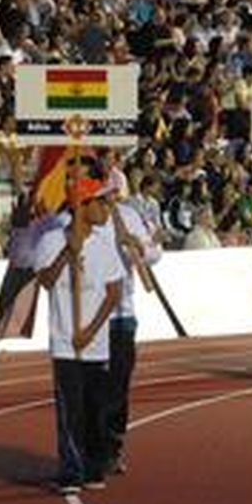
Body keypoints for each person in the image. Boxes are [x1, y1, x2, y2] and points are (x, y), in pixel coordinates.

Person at [32, 178, 125, 495]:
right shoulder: (52, 240)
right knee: (70, 409)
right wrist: (66, 255)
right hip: (64, 341)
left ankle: (93, 467)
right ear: (81, 206)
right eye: (99, 202)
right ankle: (72, 470)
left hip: (95, 343)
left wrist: (91, 330)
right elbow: (44, 280)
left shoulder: (104, 243)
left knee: (96, 407)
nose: (105, 208)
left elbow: (114, 293)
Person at [107, 176, 163, 475]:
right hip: (91, 315)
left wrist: (139, 246)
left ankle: (112, 447)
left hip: (122, 314)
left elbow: (154, 254)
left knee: (118, 386)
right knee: (91, 387)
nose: (112, 195)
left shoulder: (129, 215)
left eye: (117, 190)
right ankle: (89, 447)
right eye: (107, 190)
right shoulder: (82, 216)